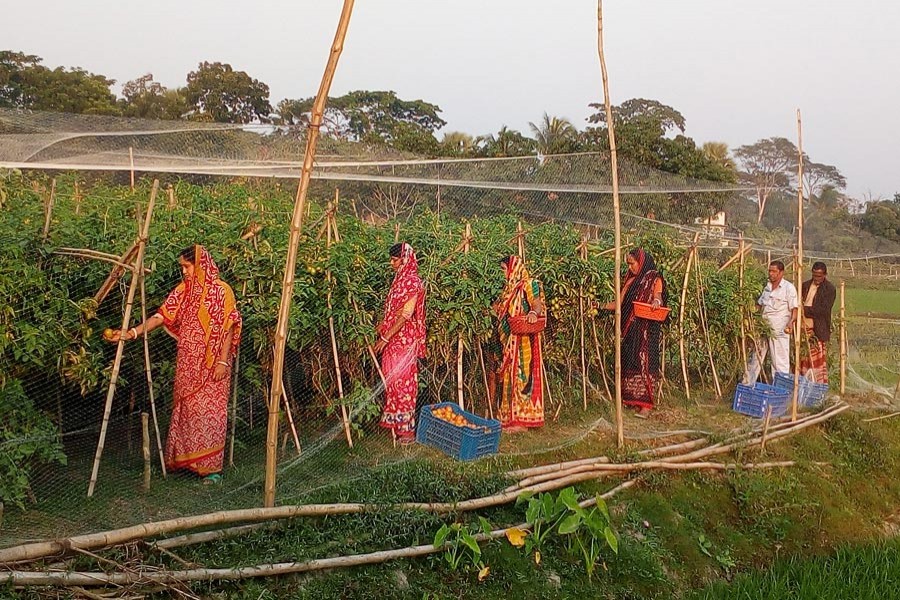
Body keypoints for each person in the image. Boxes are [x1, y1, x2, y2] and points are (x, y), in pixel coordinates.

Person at [107, 245, 241, 484]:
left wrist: (222, 360)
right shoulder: (184, 291)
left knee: (210, 413)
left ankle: (211, 469)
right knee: (187, 410)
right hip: (188, 361)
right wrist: (131, 333)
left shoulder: (222, 291)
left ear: (200, 265)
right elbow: (161, 316)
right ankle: (188, 462)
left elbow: (229, 326)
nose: (184, 272)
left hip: (214, 363)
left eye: (186, 266)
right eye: (182, 267)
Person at [603, 248, 667, 418]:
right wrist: (599, 306)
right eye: (628, 264)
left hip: (648, 332)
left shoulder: (654, 278)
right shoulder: (630, 281)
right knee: (630, 361)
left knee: (646, 364)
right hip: (631, 330)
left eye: (632, 264)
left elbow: (658, 296)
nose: (630, 268)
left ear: (642, 262)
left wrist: (656, 301)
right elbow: (619, 302)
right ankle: (632, 401)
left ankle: (645, 406)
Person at [374, 242, 426, 445]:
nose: (391, 263)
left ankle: (407, 431)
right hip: (394, 339)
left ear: (405, 259)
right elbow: (393, 311)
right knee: (393, 380)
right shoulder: (398, 281)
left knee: (405, 382)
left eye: (395, 259)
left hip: (405, 340)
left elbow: (406, 314)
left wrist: (385, 338)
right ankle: (396, 424)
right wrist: (382, 327)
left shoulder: (412, 282)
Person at [493, 255, 545, 431]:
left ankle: (522, 420)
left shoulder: (529, 284)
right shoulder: (507, 289)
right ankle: (509, 418)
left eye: (503, 269)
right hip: (509, 341)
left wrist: (533, 313)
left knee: (522, 376)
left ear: (512, 268)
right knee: (508, 377)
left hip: (524, 340)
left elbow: (536, 303)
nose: (501, 273)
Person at [744, 260, 799, 384]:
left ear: (781, 273)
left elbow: (794, 309)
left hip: (779, 329)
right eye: (770, 271)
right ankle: (748, 384)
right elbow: (759, 305)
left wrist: (791, 323)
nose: (771, 274)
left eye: (774, 271)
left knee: (779, 360)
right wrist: (748, 312)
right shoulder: (767, 287)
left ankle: (780, 387)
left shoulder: (788, 288)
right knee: (756, 356)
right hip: (764, 327)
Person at [800, 261, 836, 383]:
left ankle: (817, 384)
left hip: (818, 329)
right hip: (803, 328)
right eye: (814, 275)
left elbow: (823, 310)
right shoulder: (804, 286)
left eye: (819, 276)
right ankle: (802, 382)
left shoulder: (829, 289)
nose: (816, 278)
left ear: (825, 275)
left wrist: (804, 310)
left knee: (817, 361)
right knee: (803, 357)